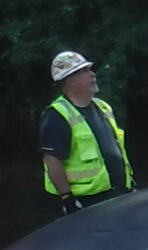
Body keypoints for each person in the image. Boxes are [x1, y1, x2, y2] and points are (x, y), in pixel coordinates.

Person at [39, 50, 134, 214]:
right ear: (71, 80)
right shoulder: (56, 115)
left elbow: (117, 150)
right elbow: (52, 161)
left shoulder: (103, 107)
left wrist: (129, 182)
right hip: (87, 202)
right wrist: (67, 198)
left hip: (118, 193)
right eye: (85, 71)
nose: (92, 74)